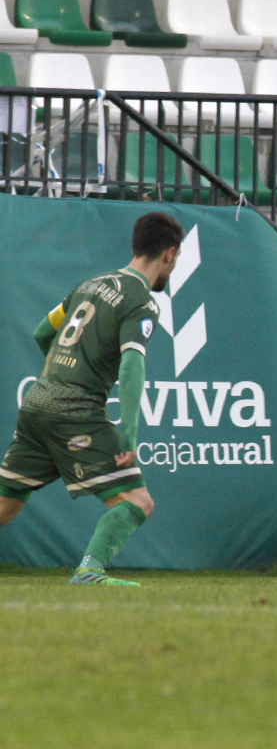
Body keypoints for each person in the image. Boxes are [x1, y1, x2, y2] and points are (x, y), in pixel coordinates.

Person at [0, 212, 183, 586]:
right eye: (175, 260)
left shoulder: (89, 284)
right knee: (137, 501)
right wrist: (129, 432)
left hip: (37, 404)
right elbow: (132, 366)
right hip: (75, 411)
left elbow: (41, 333)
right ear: (169, 253)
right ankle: (89, 571)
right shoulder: (141, 302)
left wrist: (64, 371)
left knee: (5, 505)